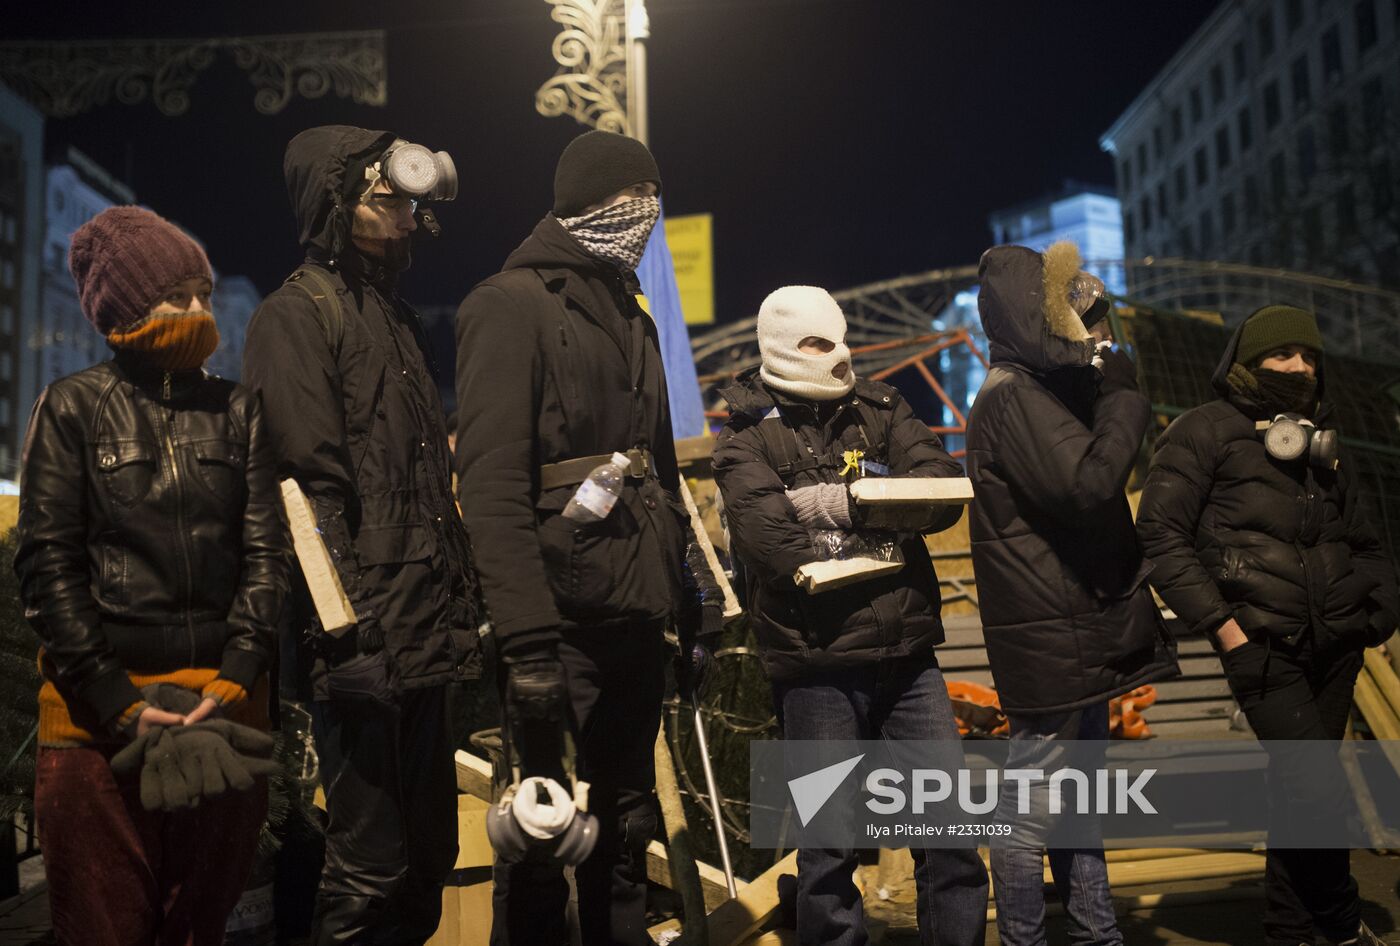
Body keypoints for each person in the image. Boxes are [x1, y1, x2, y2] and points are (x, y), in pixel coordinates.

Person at [454, 129, 721, 946]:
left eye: (654, 196)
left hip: (635, 615)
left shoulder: (631, 313)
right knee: (539, 835)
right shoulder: (506, 305)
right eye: (633, 196)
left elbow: (665, 479)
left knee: (627, 824)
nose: (647, 213)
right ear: (586, 203)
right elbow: (491, 485)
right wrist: (529, 647)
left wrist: (691, 602)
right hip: (557, 622)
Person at [14, 206, 288, 945]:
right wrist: (116, 702)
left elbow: (268, 554)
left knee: (199, 926)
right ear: (127, 308)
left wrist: (236, 679)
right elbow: (47, 567)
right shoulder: (72, 408)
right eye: (177, 297)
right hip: (96, 730)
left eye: (203, 294)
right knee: (105, 926)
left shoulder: (240, 411)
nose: (199, 313)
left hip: (224, 720)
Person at [242, 125, 483, 946]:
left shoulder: (392, 317)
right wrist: (346, 639)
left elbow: (422, 489)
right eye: (390, 199)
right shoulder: (295, 315)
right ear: (336, 203)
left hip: (423, 631)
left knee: (426, 861)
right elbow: (301, 493)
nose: (410, 218)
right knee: (369, 872)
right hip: (367, 639)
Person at [712, 285, 989, 945]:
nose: (836, 354)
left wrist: (830, 503)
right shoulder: (744, 436)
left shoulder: (883, 407)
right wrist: (881, 505)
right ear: (781, 347)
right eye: (815, 343)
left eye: (840, 338)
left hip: (907, 656)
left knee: (949, 833)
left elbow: (941, 488)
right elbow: (772, 544)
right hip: (817, 669)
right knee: (830, 848)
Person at [1137, 304, 1396, 946]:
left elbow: (1367, 542)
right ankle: (1340, 926)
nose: (1299, 368)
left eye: (1309, 357)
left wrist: (1377, 614)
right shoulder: (1204, 431)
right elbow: (1159, 535)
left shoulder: (1324, 443)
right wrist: (1224, 628)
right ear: (1249, 362)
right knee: (1317, 785)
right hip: (1263, 647)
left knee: (1296, 791)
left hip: (1336, 647)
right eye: (1283, 355)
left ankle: (1288, 929)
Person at [964, 242, 1178, 945]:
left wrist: (1098, 389)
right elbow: (1088, 484)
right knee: (1030, 810)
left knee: (1074, 803)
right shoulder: (1011, 398)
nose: (1098, 338)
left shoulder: (1033, 394)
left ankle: (1096, 932)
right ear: (1040, 317)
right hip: (1052, 635)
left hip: (1072, 627)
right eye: (1083, 321)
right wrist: (1121, 395)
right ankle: (1028, 937)